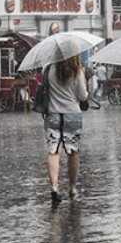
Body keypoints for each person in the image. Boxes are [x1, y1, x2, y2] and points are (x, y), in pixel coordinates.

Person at [45, 53, 89, 202]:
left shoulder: (50, 69)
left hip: (53, 115)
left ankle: (54, 186)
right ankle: (72, 187)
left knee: (54, 152)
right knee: (72, 152)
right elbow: (83, 96)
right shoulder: (77, 71)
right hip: (72, 115)